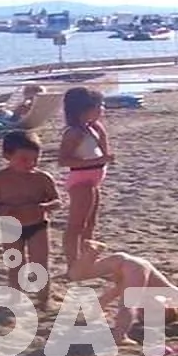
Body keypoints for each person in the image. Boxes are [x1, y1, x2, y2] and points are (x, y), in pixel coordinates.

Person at [0, 131, 60, 306]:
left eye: (35, 159)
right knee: (15, 264)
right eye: (24, 159)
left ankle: (43, 300)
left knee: (40, 264)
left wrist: (43, 207)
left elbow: (57, 201)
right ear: (7, 156)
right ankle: (16, 299)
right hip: (10, 226)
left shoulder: (42, 178)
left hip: (37, 225)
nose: (31, 163)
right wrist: (0, 209)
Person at [75, 240, 178, 344]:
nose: (146, 309)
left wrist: (91, 315)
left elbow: (107, 297)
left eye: (143, 314)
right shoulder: (165, 290)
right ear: (169, 303)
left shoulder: (134, 286)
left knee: (78, 275)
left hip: (120, 260)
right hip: (137, 266)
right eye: (156, 310)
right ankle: (120, 336)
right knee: (128, 304)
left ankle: (92, 252)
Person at [58, 87, 111, 277]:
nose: (102, 109)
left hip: (94, 180)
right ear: (84, 109)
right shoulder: (74, 133)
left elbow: (104, 151)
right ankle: (72, 264)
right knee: (76, 226)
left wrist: (100, 131)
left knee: (90, 224)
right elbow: (63, 160)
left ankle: (86, 262)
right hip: (82, 180)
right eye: (99, 106)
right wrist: (97, 161)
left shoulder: (92, 128)